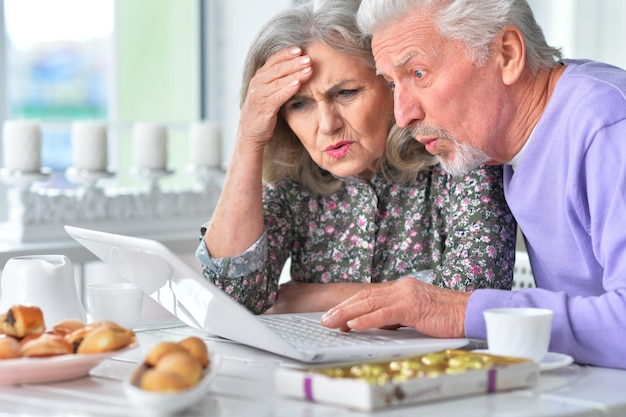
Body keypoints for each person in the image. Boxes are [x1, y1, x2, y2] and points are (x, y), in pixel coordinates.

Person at [320, 0, 626, 369]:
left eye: (418, 73)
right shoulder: (505, 147)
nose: (402, 116)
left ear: (508, 54)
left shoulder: (609, 128)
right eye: (391, 83)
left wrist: (461, 311)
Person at [196, 0, 516, 316]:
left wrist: (307, 297)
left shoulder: (459, 156)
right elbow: (231, 300)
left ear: (391, 86)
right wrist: (248, 138)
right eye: (299, 105)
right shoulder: (293, 184)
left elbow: (471, 297)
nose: (327, 125)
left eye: (346, 93)